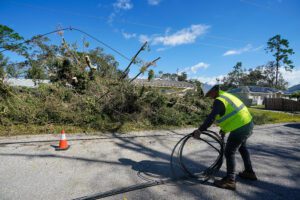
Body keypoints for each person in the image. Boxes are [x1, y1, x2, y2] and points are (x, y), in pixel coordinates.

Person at [193, 85, 257, 190]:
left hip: (241, 126)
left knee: (229, 152)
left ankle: (230, 180)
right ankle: (249, 172)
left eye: (209, 94)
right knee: (242, 147)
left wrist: (200, 130)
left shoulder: (219, 100)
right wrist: (224, 129)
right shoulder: (226, 96)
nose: (209, 97)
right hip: (247, 123)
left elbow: (211, 118)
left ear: (214, 90)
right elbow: (231, 114)